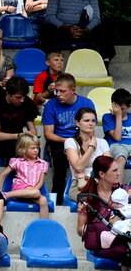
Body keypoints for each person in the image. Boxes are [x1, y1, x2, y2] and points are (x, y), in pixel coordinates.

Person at [42, 0, 115, 65]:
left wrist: (85, 29)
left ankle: (105, 64)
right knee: (47, 28)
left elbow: (96, 18)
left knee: (104, 28)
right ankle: (51, 66)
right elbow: (50, 15)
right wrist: (66, 27)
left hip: (84, 30)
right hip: (63, 29)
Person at [42, 73, 95, 205]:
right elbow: (48, 134)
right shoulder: (51, 105)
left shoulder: (86, 103)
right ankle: (58, 202)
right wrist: (68, 142)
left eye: (62, 91)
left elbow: (90, 127)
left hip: (82, 138)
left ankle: (88, 198)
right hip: (58, 141)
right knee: (59, 166)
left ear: (73, 90)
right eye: (56, 91)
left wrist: (81, 142)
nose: (58, 94)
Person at [77, 156, 131, 271]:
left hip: (124, 239)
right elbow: (80, 230)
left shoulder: (123, 190)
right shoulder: (88, 197)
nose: (118, 173)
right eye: (114, 170)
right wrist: (105, 225)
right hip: (102, 244)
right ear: (102, 174)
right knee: (125, 250)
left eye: (118, 169)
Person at [0, 134, 49, 219]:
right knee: (36, 193)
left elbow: (41, 181)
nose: (36, 150)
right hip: (19, 189)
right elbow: (2, 174)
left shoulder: (43, 163)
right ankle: (4, 195)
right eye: (33, 148)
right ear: (23, 149)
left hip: (32, 191)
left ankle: (44, 223)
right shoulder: (17, 161)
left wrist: (34, 190)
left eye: (37, 148)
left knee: (43, 200)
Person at [66, 108, 111, 200]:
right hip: (80, 186)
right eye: (86, 120)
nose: (91, 123)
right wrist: (91, 148)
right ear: (77, 123)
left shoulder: (102, 142)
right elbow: (78, 167)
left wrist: (90, 176)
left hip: (100, 184)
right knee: (94, 199)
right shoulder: (70, 142)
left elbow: (109, 167)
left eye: (93, 121)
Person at [0, 76, 38, 164]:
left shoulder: (28, 103)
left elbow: (32, 129)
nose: (22, 100)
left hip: (20, 139)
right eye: (18, 97)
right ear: (8, 93)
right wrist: (18, 136)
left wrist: (29, 137)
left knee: (34, 148)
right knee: (13, 147)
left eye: (23, 97)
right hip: (2, 142)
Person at [103, 88, 131, 176]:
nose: (118, 111)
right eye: (116, 108)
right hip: (117, 145)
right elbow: (117, 137)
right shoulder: (107, 117)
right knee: (121, 157)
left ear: (129, 106)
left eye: (122, 109)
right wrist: (118, 116)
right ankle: (119, 188)